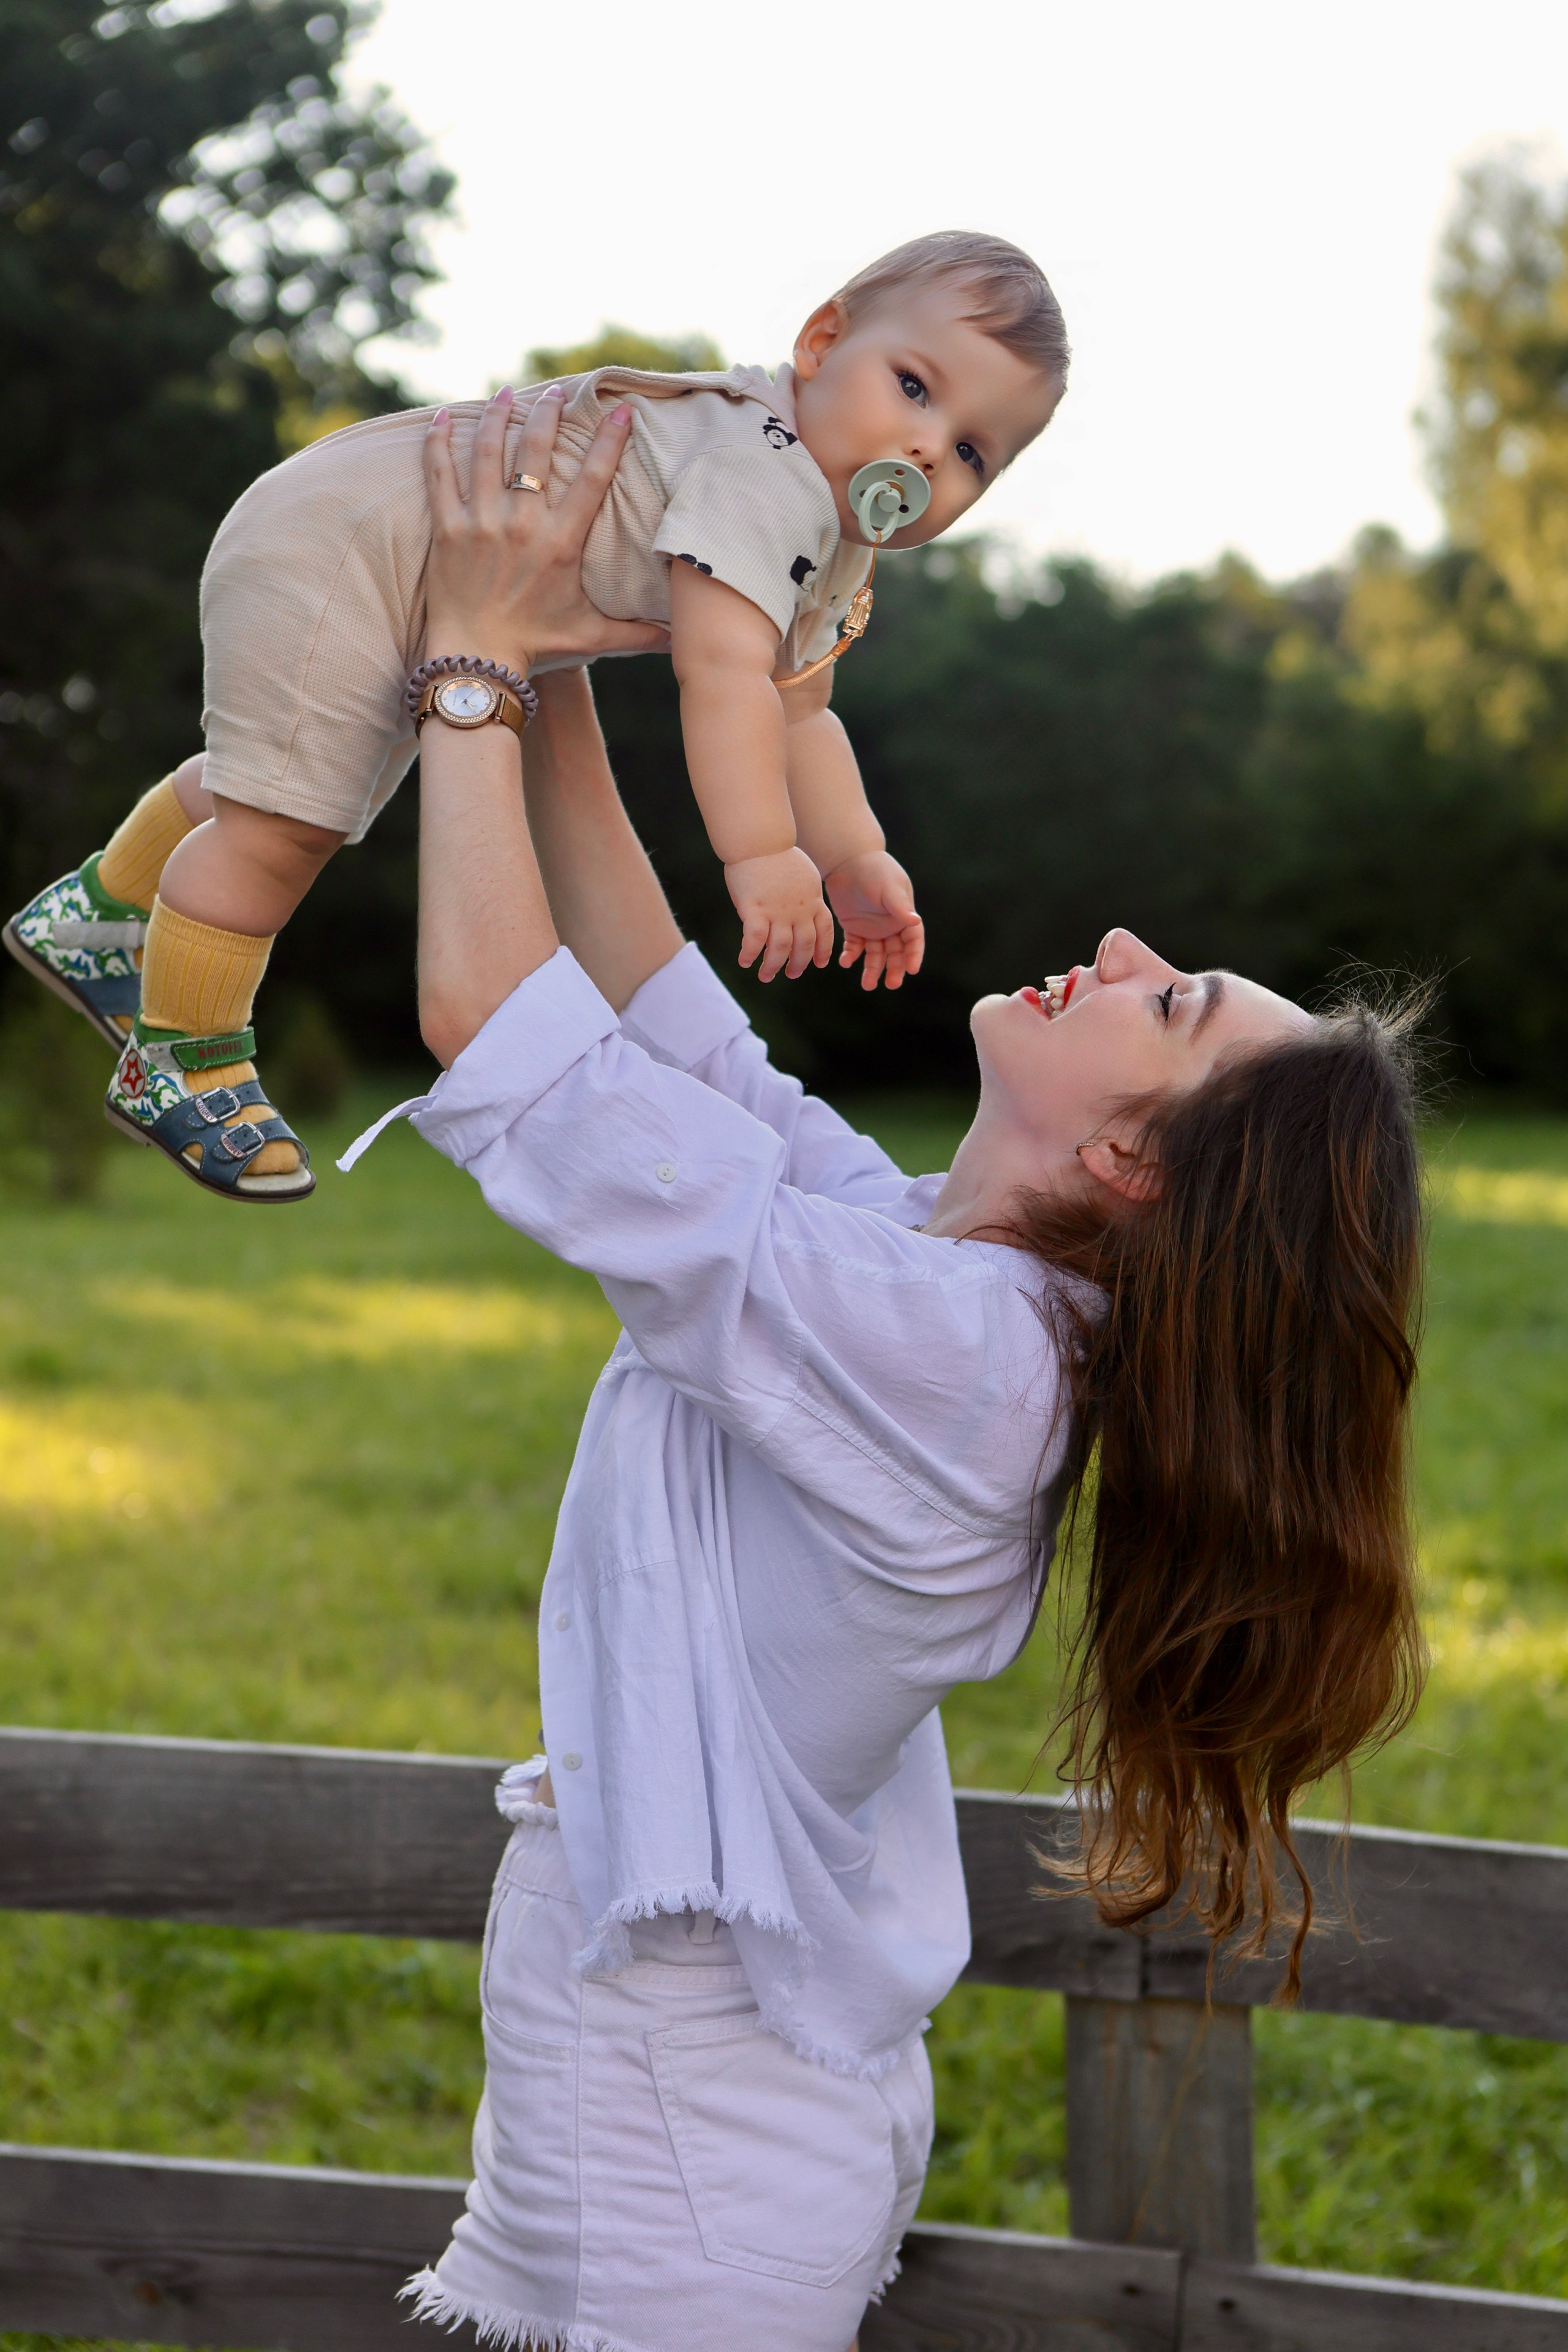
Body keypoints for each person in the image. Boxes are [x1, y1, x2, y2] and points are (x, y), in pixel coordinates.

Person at [336, 390, 1428, 2352]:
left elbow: (500, 1035)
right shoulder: (937, 1266)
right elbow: (677, 1037)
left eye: (1166, 1000)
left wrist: (478, 667)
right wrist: (588, 652)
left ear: (1130, 1163)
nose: (1112, 941)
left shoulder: (962, 1360)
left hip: (693, 2118)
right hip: (670, 2067)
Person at [4, 232, 1067, 1202]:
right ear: (823, 339)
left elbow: (800, 713)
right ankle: (180, 1057)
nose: (929, 449)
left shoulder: (837, 542)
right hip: (353, 537)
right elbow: (725, 679)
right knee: (285, 821)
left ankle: (100, 910)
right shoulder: (764, 469)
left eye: (975, 452)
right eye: (915, 387)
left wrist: (852, 854)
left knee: (293, 782)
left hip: (387, 537)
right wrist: (764, 858)